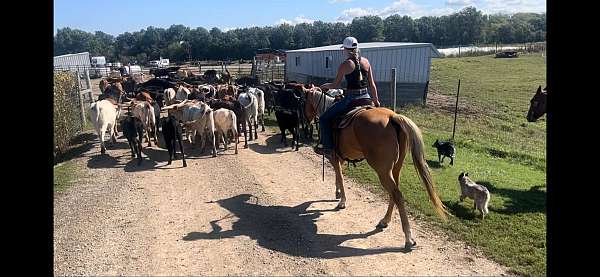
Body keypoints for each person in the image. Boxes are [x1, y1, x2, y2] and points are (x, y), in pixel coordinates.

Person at [316, 36, 380, 156]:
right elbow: (372, 84)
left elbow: (335, 84)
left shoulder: (345, 64)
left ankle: (328, 148)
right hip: (366, 97)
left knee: (323, 118)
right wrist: (376, 100)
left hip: (351, 99)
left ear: (345, 49)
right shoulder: (366, 62)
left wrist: (324, 86)